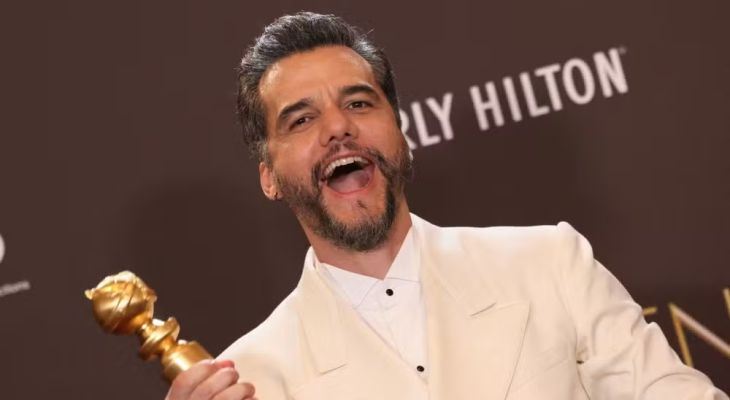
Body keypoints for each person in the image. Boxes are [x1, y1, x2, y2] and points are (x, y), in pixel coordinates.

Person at [165, 12, 727, 400]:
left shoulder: (549, 262)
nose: (338, 127)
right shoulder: (252, 377)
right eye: (302, 119)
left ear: (401, 133)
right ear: (269, 177)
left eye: (358, 103)